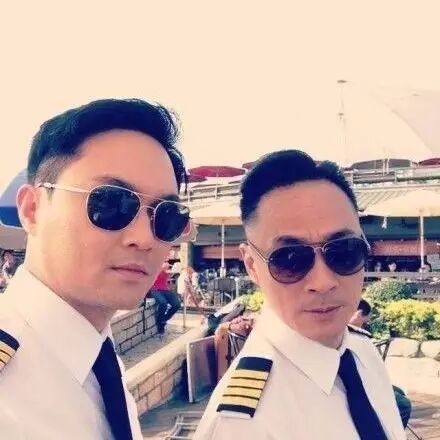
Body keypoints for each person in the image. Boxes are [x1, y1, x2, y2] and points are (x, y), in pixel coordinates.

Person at [0, 99, 190, 439]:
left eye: (166, 216)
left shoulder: (98, 359)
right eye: (111, 203)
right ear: (32, 209)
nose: (145, 238)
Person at [194, 150, 405, 439]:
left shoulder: (362, 351)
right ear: (252, 266)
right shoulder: (243, 425)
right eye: (290, 259)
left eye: (344, 251)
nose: (323, 282)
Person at [149, 262, 181, 334]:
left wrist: (169, 272)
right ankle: (160, 323)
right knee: (163, 303)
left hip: (165, 289)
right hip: (154, 289)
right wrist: (161, 268)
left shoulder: (166, 268)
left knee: (177, 304)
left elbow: (168, 276)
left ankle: (163, 319)